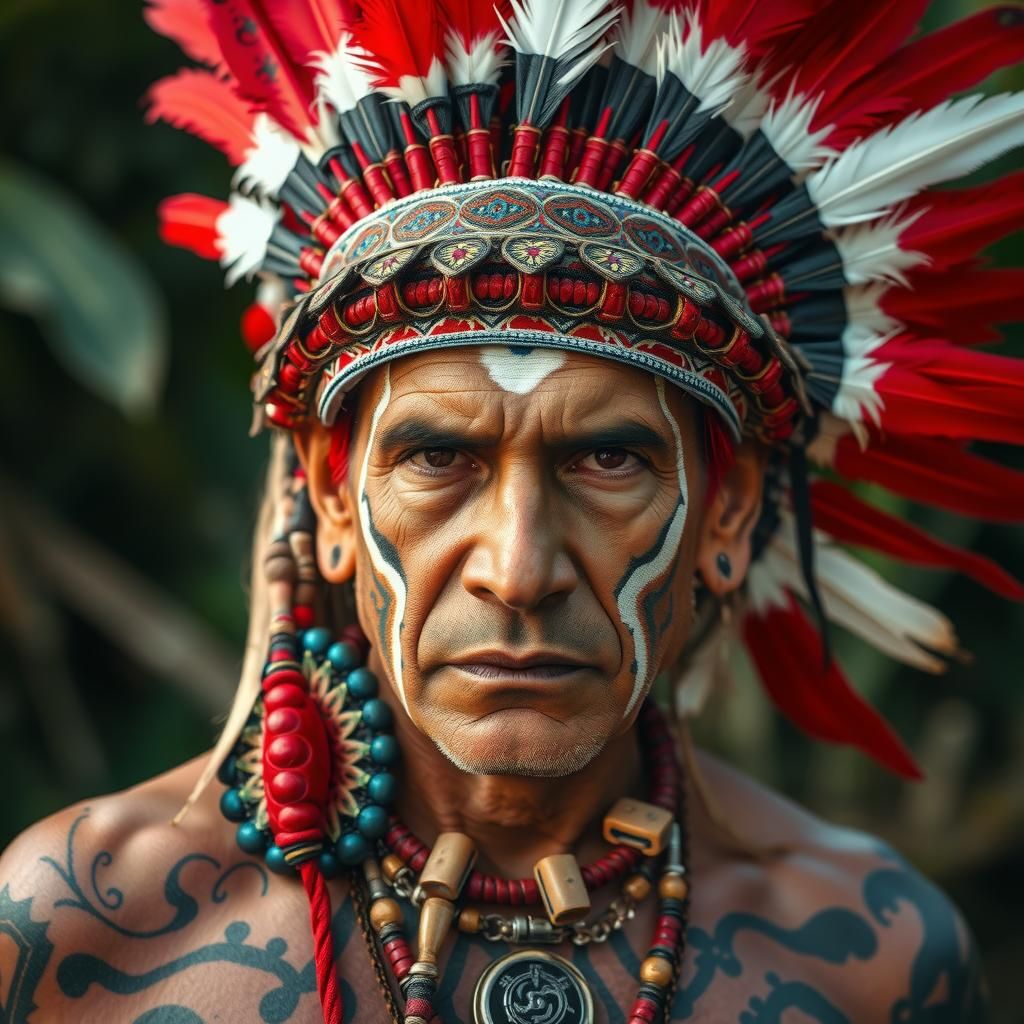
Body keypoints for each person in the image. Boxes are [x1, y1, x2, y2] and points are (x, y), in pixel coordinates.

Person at [1, 0, 1020, 1020]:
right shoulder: (83, 928)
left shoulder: (875, 957)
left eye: (608, 458)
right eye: (438, 456)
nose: (518, 568)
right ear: (332, 494)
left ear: (727, 511)